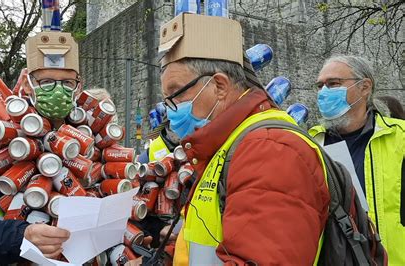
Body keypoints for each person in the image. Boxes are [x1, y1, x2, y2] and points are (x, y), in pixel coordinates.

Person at [159, 14, 330, 264]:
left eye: (176, 95)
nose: (170, 109)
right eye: (166, 100)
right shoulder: (226, 145)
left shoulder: (269, 150)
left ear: (219, 86)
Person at [0, 31, 81, 263]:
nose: (57, 91)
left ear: (78, 86)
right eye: (45, 82)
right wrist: (21, 235)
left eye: (67, 83)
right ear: (27, 83)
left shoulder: (90, 138)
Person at [309, 55, 405, 265]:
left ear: (365, 87)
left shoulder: (400, 138)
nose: (324, 92)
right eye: (320, 86)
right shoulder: (311, 143)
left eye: (333, 83)